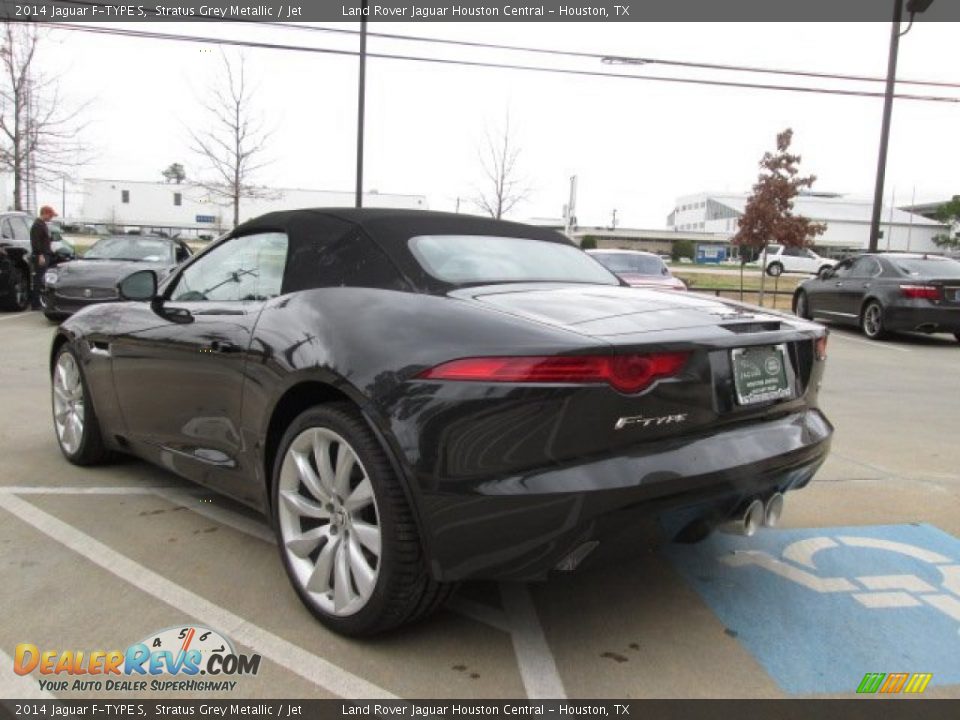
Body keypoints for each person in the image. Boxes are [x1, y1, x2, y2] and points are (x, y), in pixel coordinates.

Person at [30, 205, 57, 310]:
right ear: (45, 214)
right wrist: (40, 255)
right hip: (40, 256)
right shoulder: (37, 225)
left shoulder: (43, 225)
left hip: (46, 254)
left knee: (42, 278)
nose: (51, 218)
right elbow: (35, 242)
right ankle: (35, 303)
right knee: (39, 279)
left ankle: (39, 301)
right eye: (50, 215)